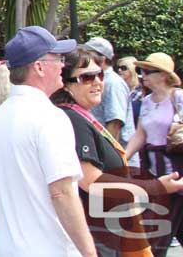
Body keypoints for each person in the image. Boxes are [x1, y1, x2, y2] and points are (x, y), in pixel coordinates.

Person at [52, 47, 181, 257]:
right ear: (66, 85)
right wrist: (154, 186)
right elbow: (91, 181)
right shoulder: (74, 118)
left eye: (99, 74)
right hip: (98, 227)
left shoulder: (81, 116)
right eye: (86, 77)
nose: (97, 82)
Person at [0, 25, 97, 257]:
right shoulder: (49, 117)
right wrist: (89, 253)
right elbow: (62, 192)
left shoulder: (0, 117)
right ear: (38, 66)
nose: (63, 65)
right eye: (57, 58)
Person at [125, 52, 183, 256]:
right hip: (153, 172)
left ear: (164, 75)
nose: (143, 75)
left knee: (158, 234)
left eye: (149, 71)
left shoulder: (179, 97)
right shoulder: (146, 101)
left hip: (176, 172)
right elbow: (140, 133)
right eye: (141, 71)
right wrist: (122, 157)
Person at [85, 37, 135, 148]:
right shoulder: (101, 80)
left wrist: (107, 157)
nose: (85, 58)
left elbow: (114, 123)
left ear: (102, 59)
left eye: (89, 55)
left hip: (116, 158)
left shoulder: (113, 83)